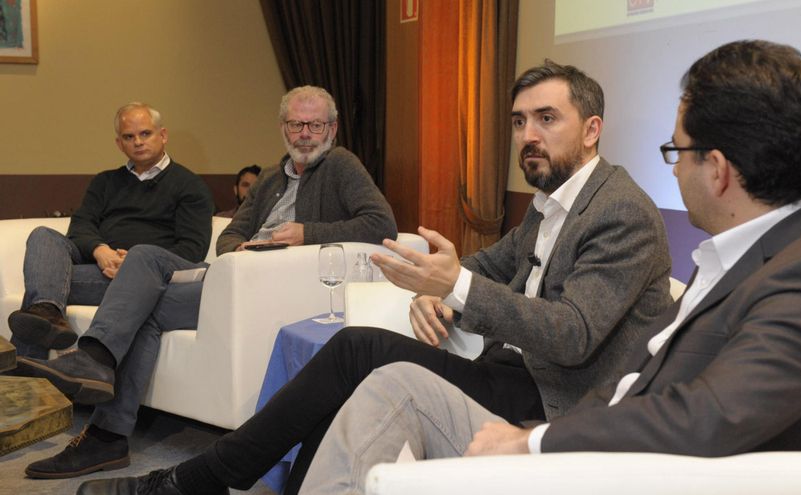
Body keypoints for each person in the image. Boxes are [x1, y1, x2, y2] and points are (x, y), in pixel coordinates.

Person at [282, 40, 801, 494]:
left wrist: (535, 442)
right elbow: (639, 385)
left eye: (677, 152)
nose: (673, 169)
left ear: (719, 169)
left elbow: (703, 420)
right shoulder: (743, 258)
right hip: (590, 444)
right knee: (391, 383)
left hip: (617, 472)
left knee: (386, 384)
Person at [77, 61, 672, 494]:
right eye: (519, 122)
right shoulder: (549, 206)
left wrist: (454, 289)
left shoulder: (620, 210)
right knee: (354, 352)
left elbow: (572, 334)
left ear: (591, 129)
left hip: (555, 399)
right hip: (510, 373)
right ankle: (210, 479)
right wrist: (441, 288)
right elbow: (486, 265)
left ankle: (198, 479)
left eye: (547, 119)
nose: (528, 136)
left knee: (358, 351)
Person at [17, 86, 397, 481]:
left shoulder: (341, 166)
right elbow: (229, 236)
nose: (304, 134)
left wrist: (306, 233)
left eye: (314, 125)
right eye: (296, 124)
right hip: (233, 278)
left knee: (144, 275)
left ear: (331, 129)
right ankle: (103, 418)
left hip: (274, 286)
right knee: (143, 273)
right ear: (283, 127)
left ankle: (100, 406)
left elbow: (381, 223)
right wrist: (243, 249)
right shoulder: (271, 176)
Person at [8, 102, 213, 360]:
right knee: (43, 235)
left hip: (146, 276)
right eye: (129, 137)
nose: (138, 142)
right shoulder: (105, 182)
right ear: (119, 144)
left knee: (42, 288)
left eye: (145, 133)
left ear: (163, 135)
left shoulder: (190, 186)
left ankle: (22, 370)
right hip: (98, 266)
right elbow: (80, 226)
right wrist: (100, 250)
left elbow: (192, 249)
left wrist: (137, 263)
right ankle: (48, 312)